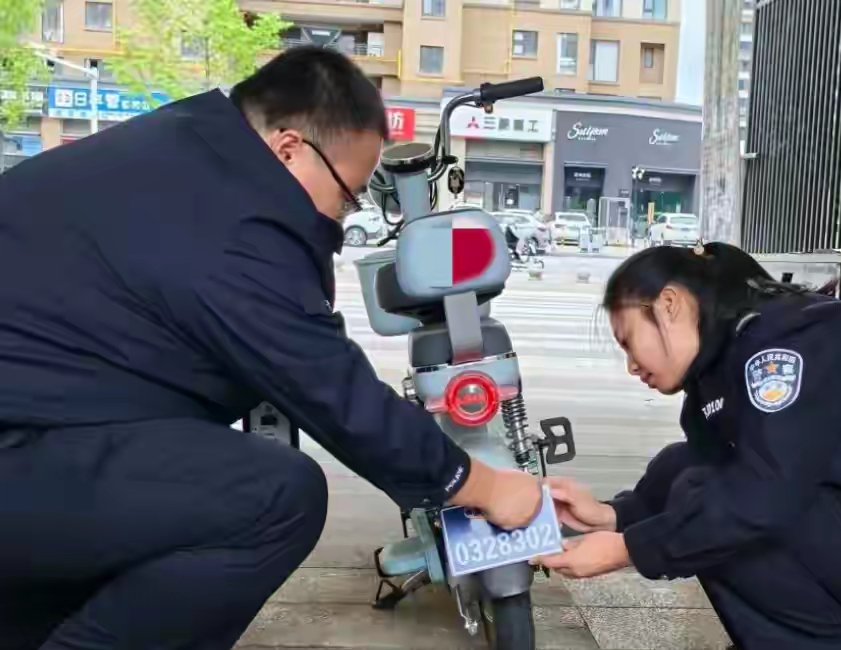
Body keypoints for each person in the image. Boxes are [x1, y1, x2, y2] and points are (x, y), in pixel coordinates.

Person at [0, 46, 540, 650]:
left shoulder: (183, 152)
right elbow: (330, 389)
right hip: (22, 450)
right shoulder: (232, 220)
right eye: (346, 195)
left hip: (44, 434)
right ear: (289, 149)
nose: (341, 219)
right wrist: (482, 485)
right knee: (275, 497)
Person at [538, 243, 841, 649]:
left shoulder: (784, 343)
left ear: (670, 304)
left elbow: (762, 495)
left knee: (729, 507)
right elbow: (703, 465)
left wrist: (629, 549)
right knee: (685, 471)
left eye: (628, 342)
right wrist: (615, 517)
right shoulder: (722, 358)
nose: (631, 366)